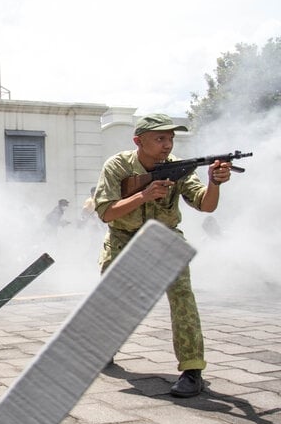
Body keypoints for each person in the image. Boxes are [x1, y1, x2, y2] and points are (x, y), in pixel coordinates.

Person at [94, 113, 234, 398]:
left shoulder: (179, 168)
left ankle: (192, 370)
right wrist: (143, 195)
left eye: (170, 138)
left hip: (164, 239)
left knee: (182, 296)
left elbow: (205, 206)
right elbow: (106, 212)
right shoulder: (118, 166)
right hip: (124, 239)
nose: (167, 144)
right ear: (138, 141)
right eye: (160, 138)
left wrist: (215, 183)